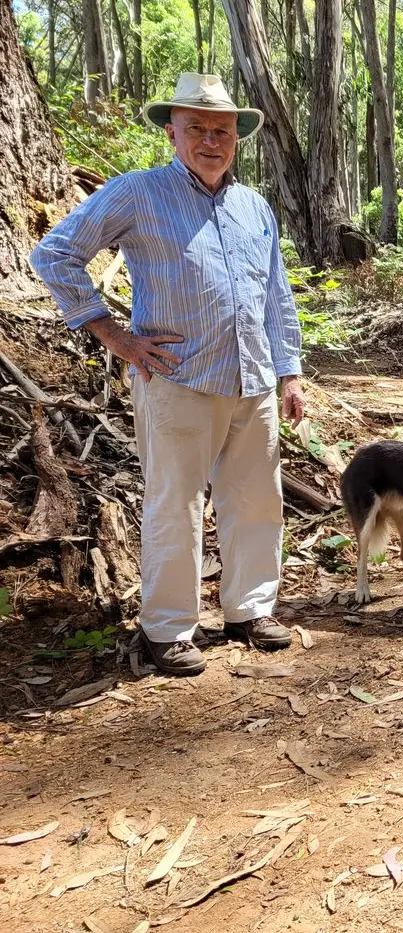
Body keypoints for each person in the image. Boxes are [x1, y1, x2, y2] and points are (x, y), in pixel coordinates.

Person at [30, 73, 305, 677]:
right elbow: (54, 253)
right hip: (178, 378)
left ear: (238, 137)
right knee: (175, 505)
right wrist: (112, 334)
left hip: (253, 380)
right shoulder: (138, 193)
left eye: (222, 130)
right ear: (173, 132)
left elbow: (275, 295)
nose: (212, 139)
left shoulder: (253, 205)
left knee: (257, 501)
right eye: (198, 128)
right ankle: (169, 629)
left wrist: (289, 371)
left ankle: (249, 610)